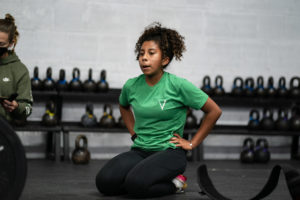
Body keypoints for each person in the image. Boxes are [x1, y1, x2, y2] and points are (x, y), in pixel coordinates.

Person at [95, 22, 222, 198]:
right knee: (104, 183)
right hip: (140, 151)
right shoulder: (131, 86)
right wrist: (133, 133)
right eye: (141, 54)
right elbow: (123, 106)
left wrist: (192, 143)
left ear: (165, 59)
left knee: (135, 184)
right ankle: (143, 180)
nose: (144, 58)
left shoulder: (178, 85)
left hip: (170, 152)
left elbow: (214, 111)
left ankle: (176, 183)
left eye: (151, 53)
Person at [0, 14, 33, 124]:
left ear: (10, 43)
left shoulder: (20, 71)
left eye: (1, 44)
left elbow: (28, 108)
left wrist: (17, 107)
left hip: (4, 134)